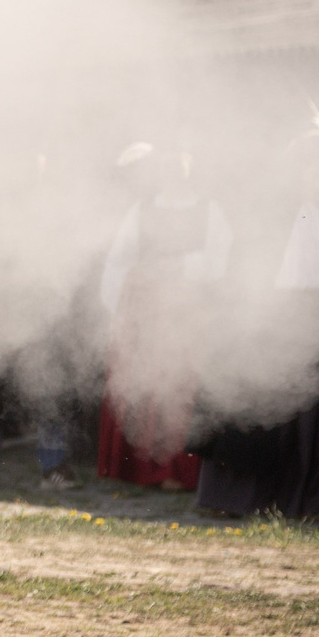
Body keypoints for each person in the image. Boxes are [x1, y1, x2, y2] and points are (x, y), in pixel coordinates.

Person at [193, 118, 319, 520]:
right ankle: (236, 500)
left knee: (309, 419)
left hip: (317, 317)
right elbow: (245, 263)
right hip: (267, 314)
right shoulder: (270, 204)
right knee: (257, 410)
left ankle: (298, 501)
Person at [96, 142, 229, 491]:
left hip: (185, 314)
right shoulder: (141, 210)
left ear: (190, 167)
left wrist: (182, 265)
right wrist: (118, 313)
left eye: (179, 165)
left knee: (179, 389)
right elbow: (118, 260)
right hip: (143, 314)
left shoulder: (208, 210)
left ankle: (174, 471)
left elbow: (220, 260)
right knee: (142, 386)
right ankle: (141, 469)